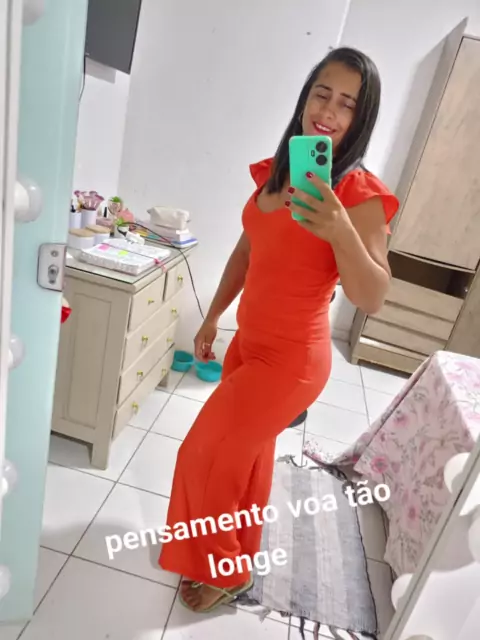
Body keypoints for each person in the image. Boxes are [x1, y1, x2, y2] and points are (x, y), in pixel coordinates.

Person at [159, 46, 399, 613]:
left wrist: (340, 229)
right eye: (322, 93)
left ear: (361, 119)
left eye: (348, 104)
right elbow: (248, 251)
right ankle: (235, 551)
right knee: (245, 459)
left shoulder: (359, 196)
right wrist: (214, 315)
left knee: (202, 454)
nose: (329, 111)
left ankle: (228, 569)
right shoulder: (277, 173)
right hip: (249, 345)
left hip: (292, 361)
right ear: (305, 97)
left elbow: (373, 296)